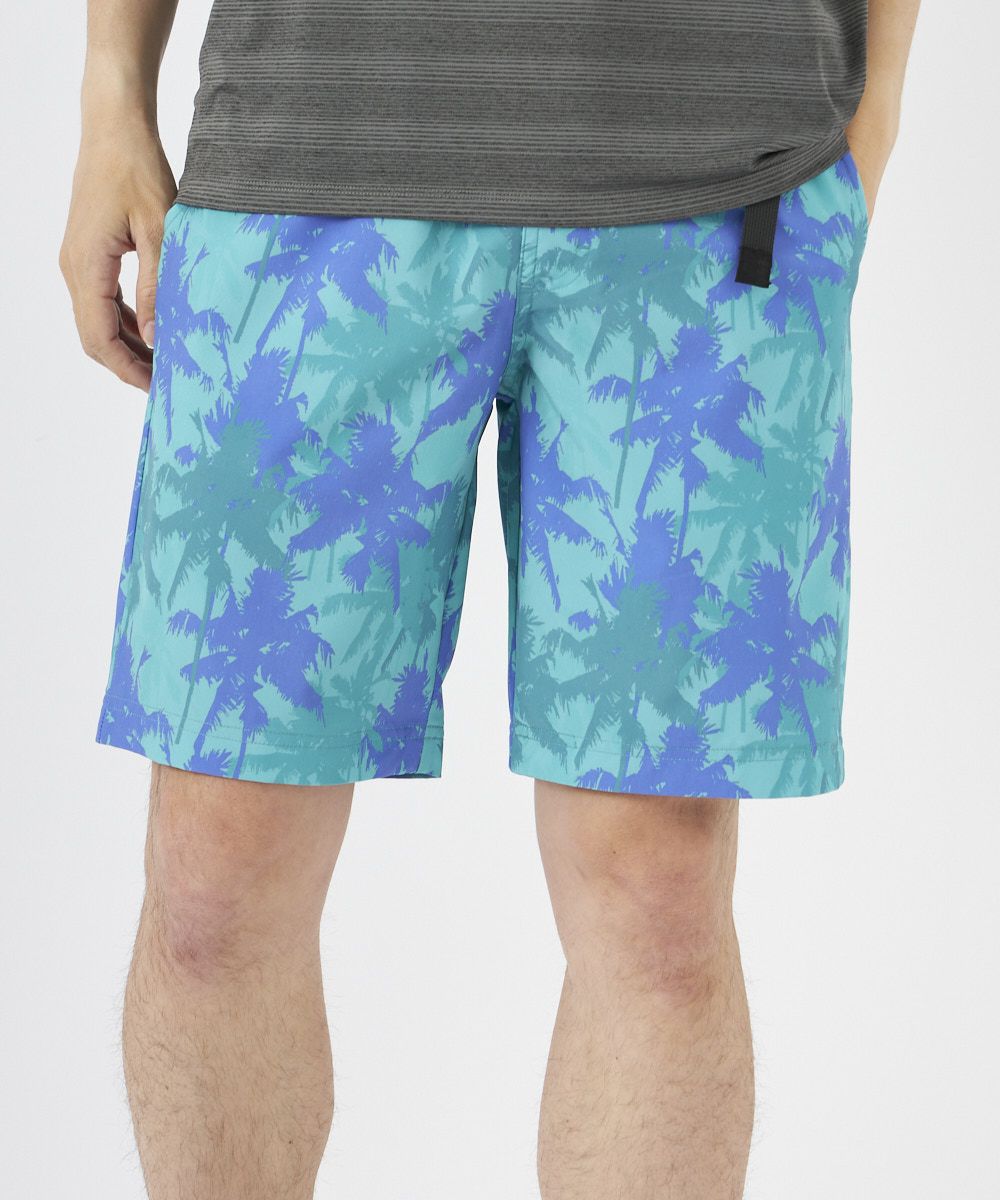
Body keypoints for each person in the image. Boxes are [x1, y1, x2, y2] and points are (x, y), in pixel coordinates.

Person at [59, 2, 920, 1196]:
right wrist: (111, 90)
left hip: (718, 196)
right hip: (301, 169)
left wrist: (873, 120)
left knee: (657, 895)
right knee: (216, 874)